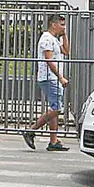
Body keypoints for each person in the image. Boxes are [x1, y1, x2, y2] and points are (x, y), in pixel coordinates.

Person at [23, 14, 70, 152]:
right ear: (53, 25)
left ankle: (53, 141)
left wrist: (64, 35)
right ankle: (31, 130)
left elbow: (66, 51)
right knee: (57, 108)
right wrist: (60, 77)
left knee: (54, 108)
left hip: (53, 78)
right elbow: (49, 60)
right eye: (62, 25)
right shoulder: (47, 39)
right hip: (49, 77)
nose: (64, 27)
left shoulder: (54, 39)